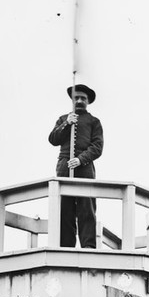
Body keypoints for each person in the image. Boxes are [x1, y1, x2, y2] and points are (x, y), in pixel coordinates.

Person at [48, 83, 104, 248]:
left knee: (86, 207)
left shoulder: (94, 122)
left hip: (84, 168)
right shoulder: (63, 118)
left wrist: (80, 159)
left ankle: (88, 247)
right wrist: (66, 123)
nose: (80, 101)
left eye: (83, 98)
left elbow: (97, 147)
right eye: (77, 97)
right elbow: (53, 139)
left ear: (88, 101)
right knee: (65, 208)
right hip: (64, 167)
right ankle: (66, 247)